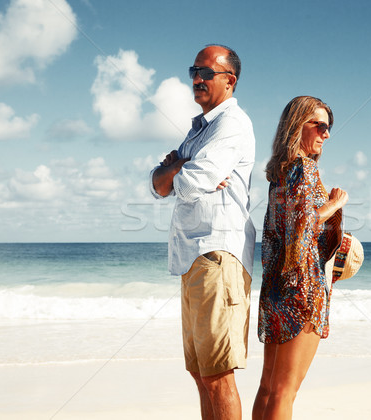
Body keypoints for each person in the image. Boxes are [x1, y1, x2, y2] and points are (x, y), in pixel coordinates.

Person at [149, 45, 256, 420]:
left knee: (217, 376)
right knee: (200, 374)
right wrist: (180, 169)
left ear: (230, 80)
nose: (197, 78)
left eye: (207, 72)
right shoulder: (199, 131)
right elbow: (158, 185)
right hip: (194, 257)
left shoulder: (233, 124)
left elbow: (195, 180)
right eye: (194, 70)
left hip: (218, 255)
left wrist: (180, 168)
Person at [252, 96, 348, 420]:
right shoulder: (303, 168)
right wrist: (335, 205)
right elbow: (301, 229)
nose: (326, 133)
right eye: (319, 125)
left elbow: (280, 236)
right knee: (285, 390)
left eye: (328, 127)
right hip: (303, 289)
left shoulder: (281, 171)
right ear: (297, 126)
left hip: (277, 286)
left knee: (269, 386)